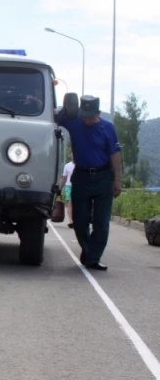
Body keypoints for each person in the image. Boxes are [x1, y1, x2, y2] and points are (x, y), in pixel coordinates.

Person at [56, 95, 122, 271]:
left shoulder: (108, 128)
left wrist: (117, 180)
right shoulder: (75, 121)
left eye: (90, 116)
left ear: (98, 113)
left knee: (101, 221)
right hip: (81, 176)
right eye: (83, 114)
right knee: (79, 219)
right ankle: (87, 250)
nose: (86, 119)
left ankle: (93, 258)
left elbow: (115, 155)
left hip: (103, 176)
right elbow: (55, 114)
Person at [60, 153, 75, 228]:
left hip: (79, 186)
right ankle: (71, 220)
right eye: (72, 155)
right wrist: (60, 188)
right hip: (69, 186)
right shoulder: (67, 166)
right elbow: (64, 178)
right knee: (70, 203)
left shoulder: (81, 165)